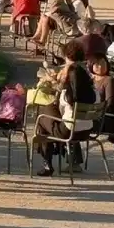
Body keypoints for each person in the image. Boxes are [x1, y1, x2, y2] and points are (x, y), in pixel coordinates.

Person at [32, 40, 98, 176]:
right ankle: (71, 160)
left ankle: (47, 163)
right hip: (87, 130)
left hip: (68, 132)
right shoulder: (93, 92)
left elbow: (60, 107)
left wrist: (56, 83)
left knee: (43, 115)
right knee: (50, 114)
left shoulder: (68, 95)